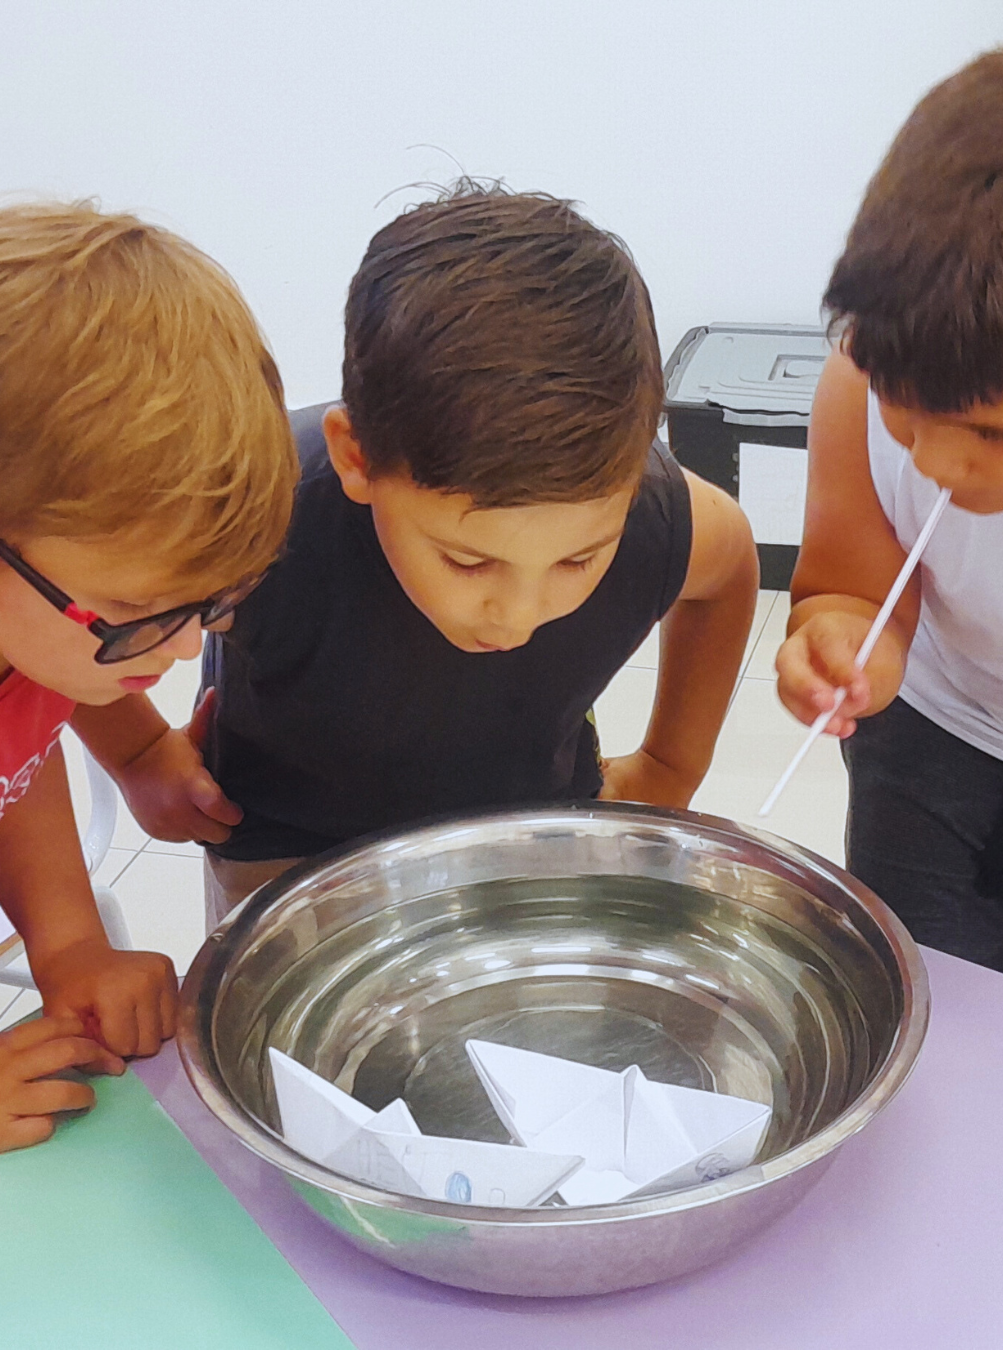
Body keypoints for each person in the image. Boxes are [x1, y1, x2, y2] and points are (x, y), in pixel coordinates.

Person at [83, 184, 758, 926]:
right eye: (469, 562)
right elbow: (64, 602)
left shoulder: (648, 514)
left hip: (531, 828)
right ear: (356, 458)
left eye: (577, 561)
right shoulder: (253, 513)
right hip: (287, 849)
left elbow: (727, 569)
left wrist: (670, 764)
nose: (516, 616)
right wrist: (138, 752)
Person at [776, 37, 1003, 996]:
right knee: (916, 986)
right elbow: (852, 587)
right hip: (935, 734)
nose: (936, 461)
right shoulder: (855, 387)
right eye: (903, 408)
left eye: (992, 431)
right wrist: (840, 639)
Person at [0, 203, 298, 1149]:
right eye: (134, 615)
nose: (178, 651)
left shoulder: (39, 638)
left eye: (208, 604)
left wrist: (69, 944)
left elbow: (16, 764)